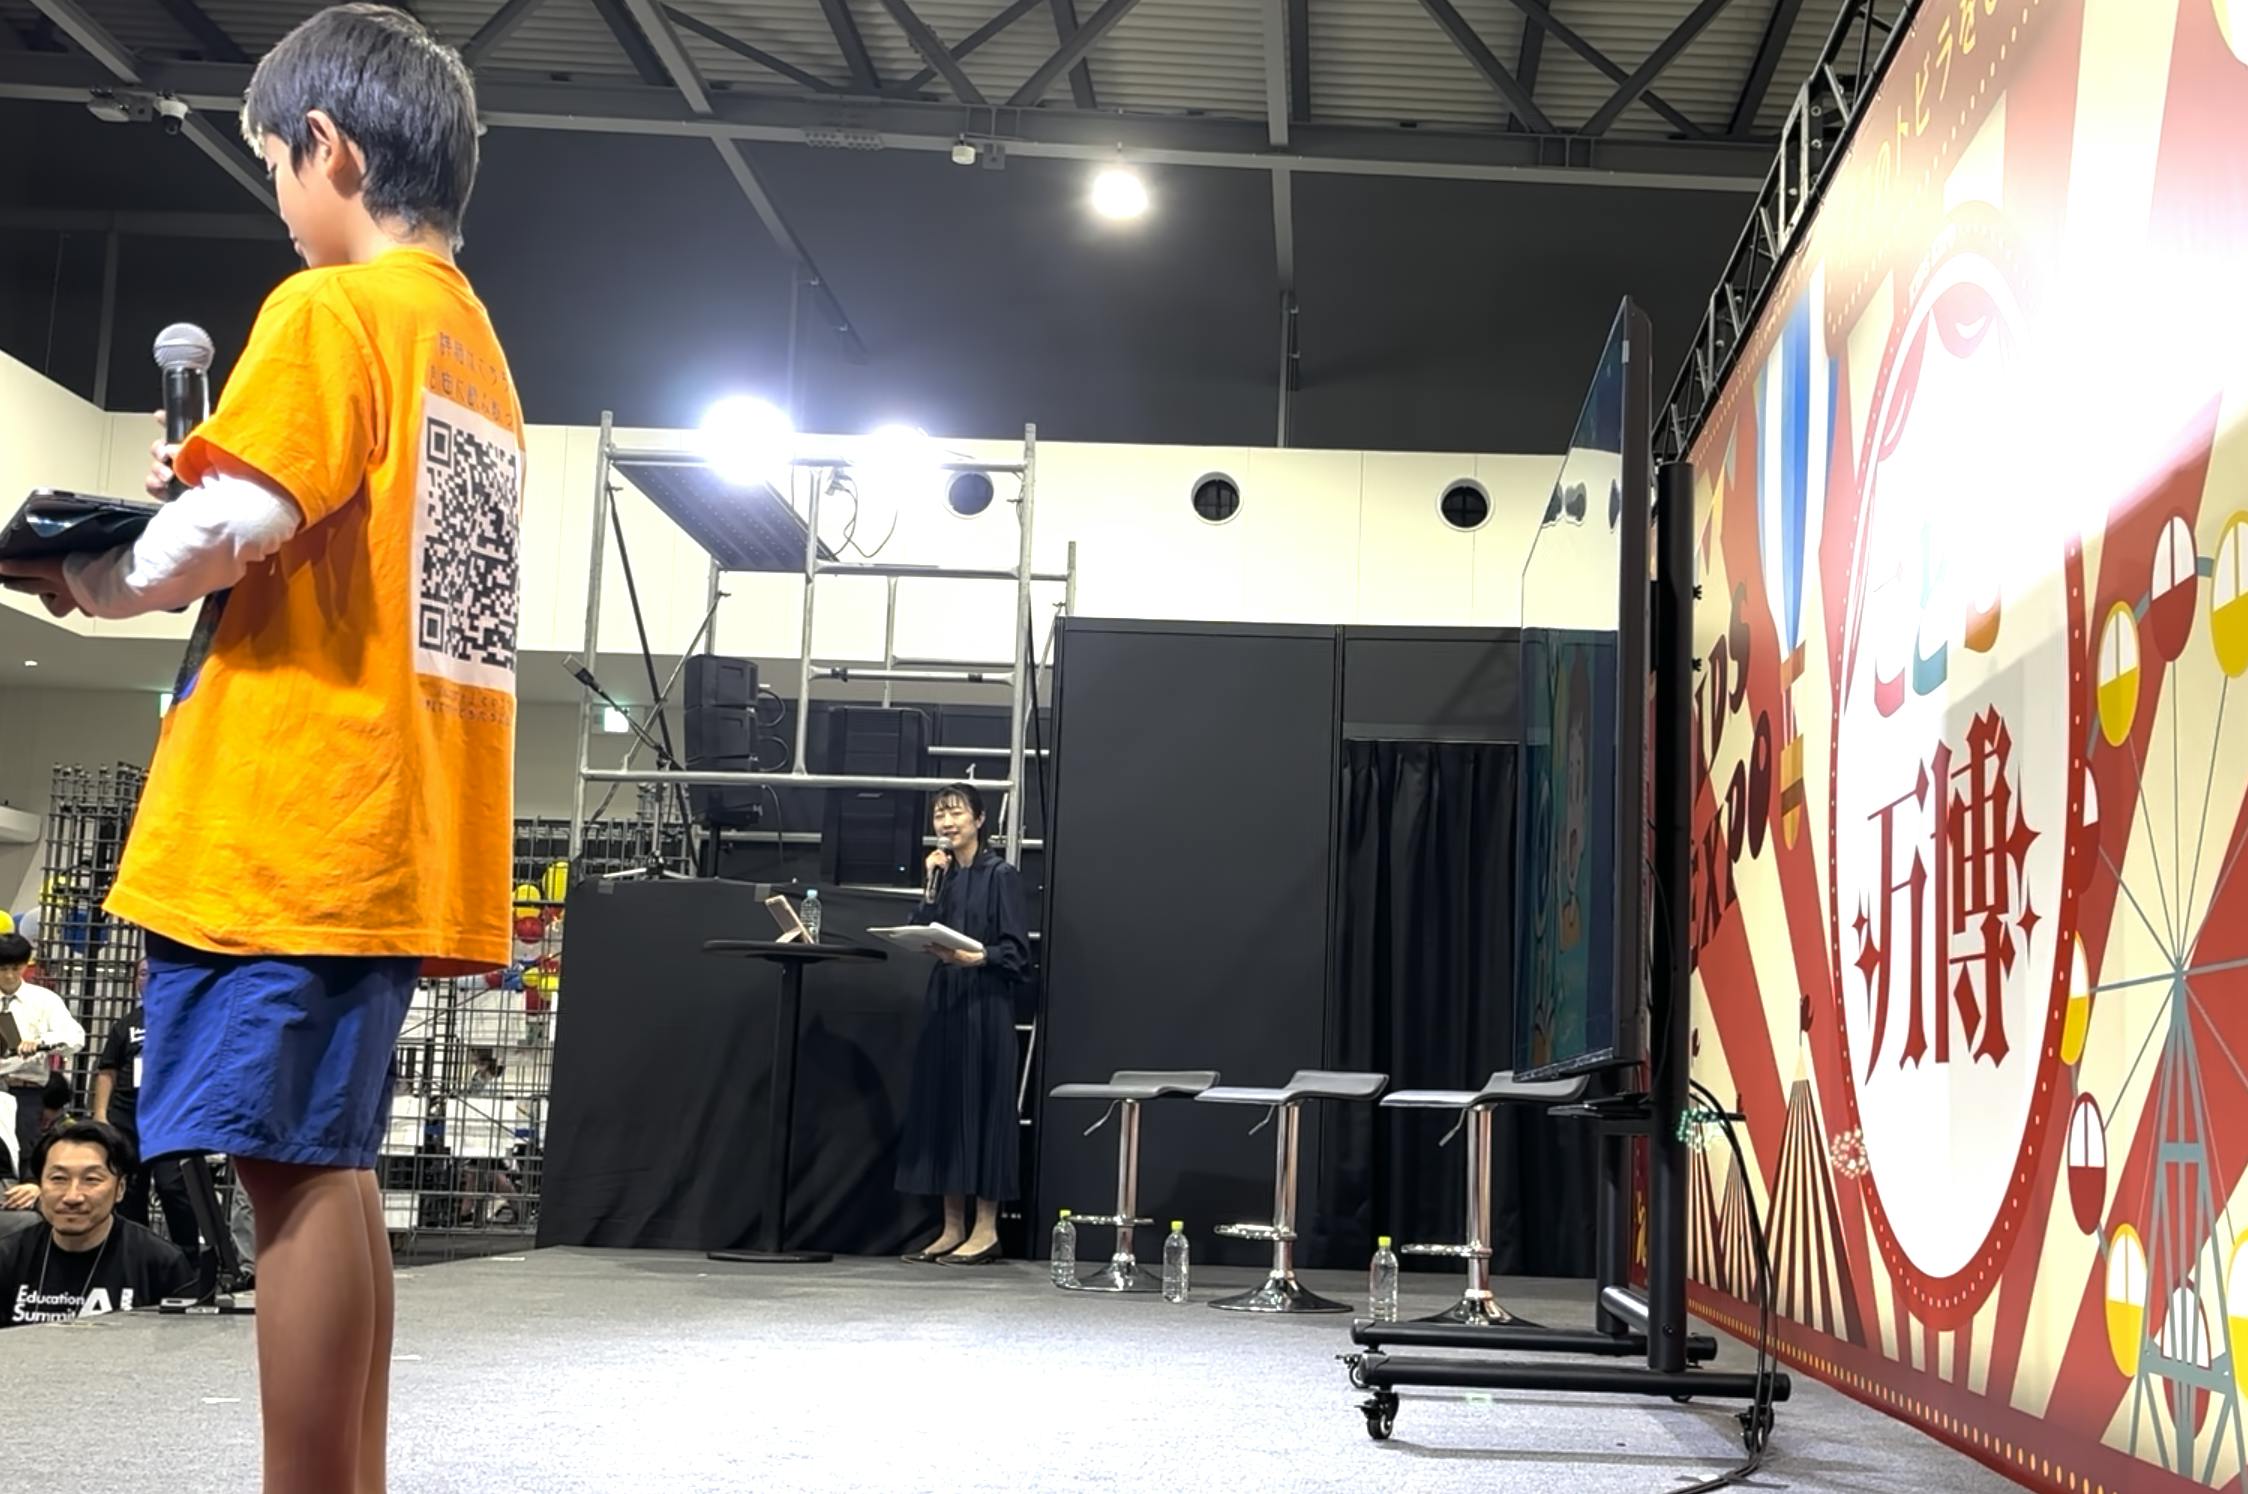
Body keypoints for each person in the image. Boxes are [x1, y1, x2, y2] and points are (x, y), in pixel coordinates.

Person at [0, 8, 519, 1488]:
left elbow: (233, 527)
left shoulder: (332, 308)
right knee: (324, 1167)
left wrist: (93, 568)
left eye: (277, 166)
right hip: (394, 819)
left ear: (328, 149)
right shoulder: (472, 347)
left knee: (288, 1178)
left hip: (292, 819)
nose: (282, 203)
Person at [897, 783, 1032, 1265]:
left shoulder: (1001, 876)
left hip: (985, 1002)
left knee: (984, 1107)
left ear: (979, 819)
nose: (947, 823)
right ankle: (951, 1226)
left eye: (956, 813)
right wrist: (928, 884)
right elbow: (923, 924)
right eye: (940, 815)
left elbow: (1017, 954)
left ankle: (987, 1229)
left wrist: (975, 958)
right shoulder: (944, 875)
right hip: (946, 1000)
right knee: (945, 1108)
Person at [0, 1121, 198, 1328]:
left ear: (120, 1188)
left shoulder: (160, 1264)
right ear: (40, 1184)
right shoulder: (8, 1257)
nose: (72, 1196)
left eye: (91, 1179)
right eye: (58, 1178)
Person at [94, 977, 201, 1255]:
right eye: (142, 973)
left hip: (169, 1117)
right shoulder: (126, 1024)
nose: (149, 978)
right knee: (130, 1189)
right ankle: (134, 1254)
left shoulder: (185, 1018)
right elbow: (107, 1071)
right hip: (127, 1116)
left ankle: (187, 1256)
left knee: (173, 1186)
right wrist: (101, 1114)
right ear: (135, 982)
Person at [0, 932, 85, 1180]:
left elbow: (75, 1037)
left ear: (25, 965)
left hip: (25, 1091)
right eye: (2, 969)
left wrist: (41, 1043)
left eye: (15, 968)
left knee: (26, 1158)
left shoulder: (44, 1000)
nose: (9, 975)